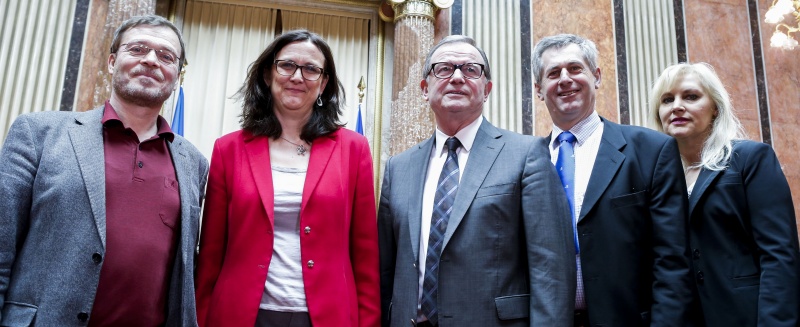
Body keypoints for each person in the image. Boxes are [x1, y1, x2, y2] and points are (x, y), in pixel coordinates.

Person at [0, 15, 207, 326]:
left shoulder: (194, 162)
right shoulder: (38, 132)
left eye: (166, 56)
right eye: (137, 49)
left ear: (176, 76)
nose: (150, 60)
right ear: (112, 62)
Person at [379, 35, 576, 327]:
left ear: (487, 90)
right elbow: (385, 269)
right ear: (424, 89)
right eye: (443, 69)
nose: (457, 77)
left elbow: (551, 269)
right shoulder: (399, 168)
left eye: (471, 69)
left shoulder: (526, 155)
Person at [194, 30, 379, 327]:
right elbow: (211, 252)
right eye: (287, 65)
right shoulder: (228, 149)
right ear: (268, 75)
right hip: (241, 314)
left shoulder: (353, 149)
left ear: (323, 83)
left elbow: (366, 253)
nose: (297, 77)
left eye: (311, 69)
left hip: (327, 315)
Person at [532, 34, 694, 326]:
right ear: (539, 90)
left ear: (596, 76)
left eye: (575, 68)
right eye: (553, 73)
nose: (565, 79)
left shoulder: (651, 150)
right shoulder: (527, 160)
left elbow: (672, 260)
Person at [649, 62, 800, 326]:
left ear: (715, 108)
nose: (676, 106)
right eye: (667, 100)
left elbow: (779, 255)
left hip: (745, 315)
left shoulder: (750, 159)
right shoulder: (653, 177)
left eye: (691, 96)